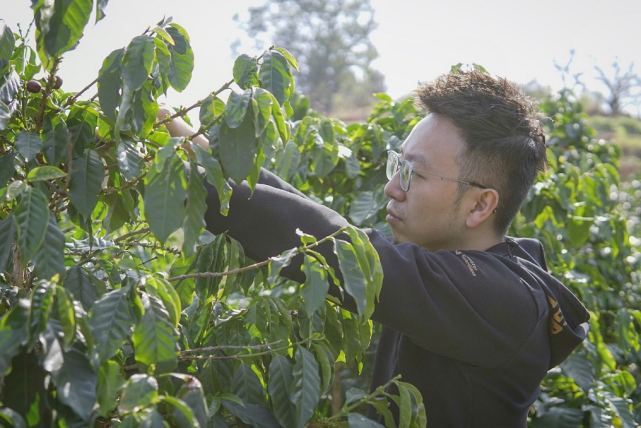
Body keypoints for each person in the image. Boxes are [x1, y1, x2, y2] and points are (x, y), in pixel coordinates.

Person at [160, 70, 590, 427]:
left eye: (413, 175)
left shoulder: (504, 299)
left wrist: (193, 180)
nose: (390, 188)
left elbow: (342, 250)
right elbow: (327, 224)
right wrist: (201, 151)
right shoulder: (456, 269)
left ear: (480, 204)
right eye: (396, 166)